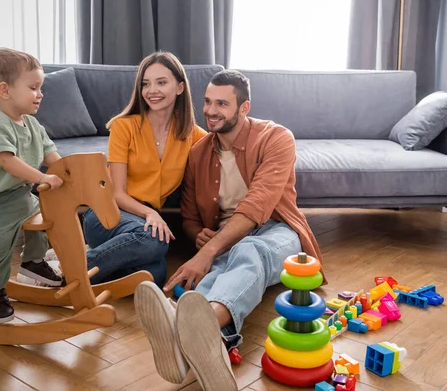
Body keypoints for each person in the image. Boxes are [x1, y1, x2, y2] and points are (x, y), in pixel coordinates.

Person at [134, 70, 325, 389]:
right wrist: (198, 235)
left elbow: (257, 205)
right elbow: (190, 215)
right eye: (208, 102)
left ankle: (186, 325)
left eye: (222, 103)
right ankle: (205, 351)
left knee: (248, 250)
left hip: (276, 231)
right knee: (214, 278)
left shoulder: (276, 138)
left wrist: (206, 252)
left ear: (244, 107)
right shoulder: (198, 152)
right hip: (225, 240)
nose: (210, 110)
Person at [82, 51, 207, 288]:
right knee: (155, 241)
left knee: (155, 274)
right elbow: (116, 193)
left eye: (161, 82)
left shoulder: (193, 135)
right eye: (146, 84)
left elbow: (221, 152)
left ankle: (98, 263)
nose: (152, 90)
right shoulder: (124, 126)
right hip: (106, 212)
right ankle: (69, 270)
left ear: (180, 88)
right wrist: (150, 214)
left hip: (142, 223)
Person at [0, 48, 65, 324]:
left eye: (40, 87)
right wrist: (42, 178)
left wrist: (69, 172)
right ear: (5, 91)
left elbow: (50, 155)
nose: (40, 94)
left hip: (16, 195)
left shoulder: (31, 123)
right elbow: (8, 161)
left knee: (46, 217)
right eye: (33, 87)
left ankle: (33, 261)